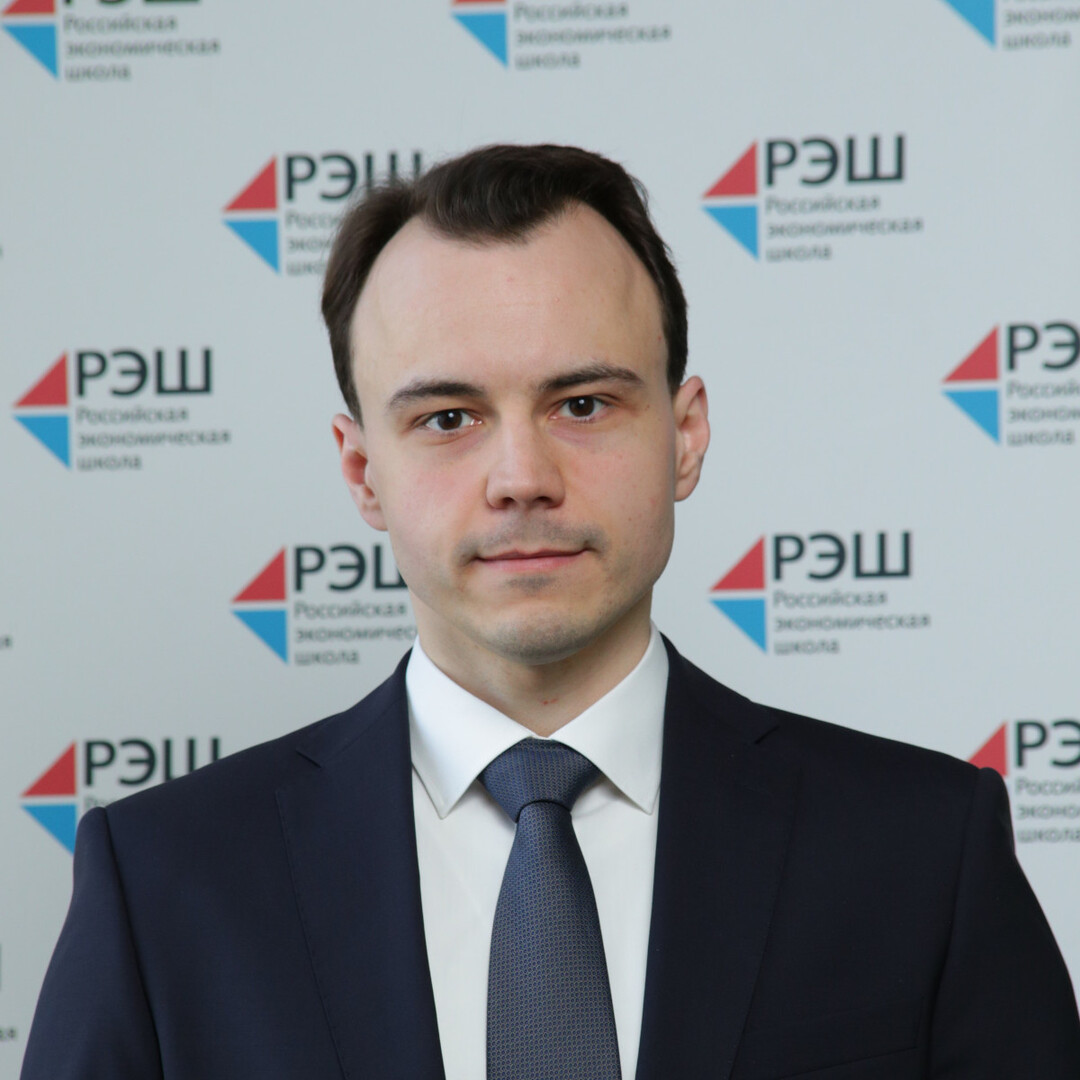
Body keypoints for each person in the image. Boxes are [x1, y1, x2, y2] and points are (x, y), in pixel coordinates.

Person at [21, 144, 1080, 1080]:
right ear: (361, 470)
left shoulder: (922, 853)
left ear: (685, 435)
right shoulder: (163, 884)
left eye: (583, 404)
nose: (521, 477)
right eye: (448, 418)